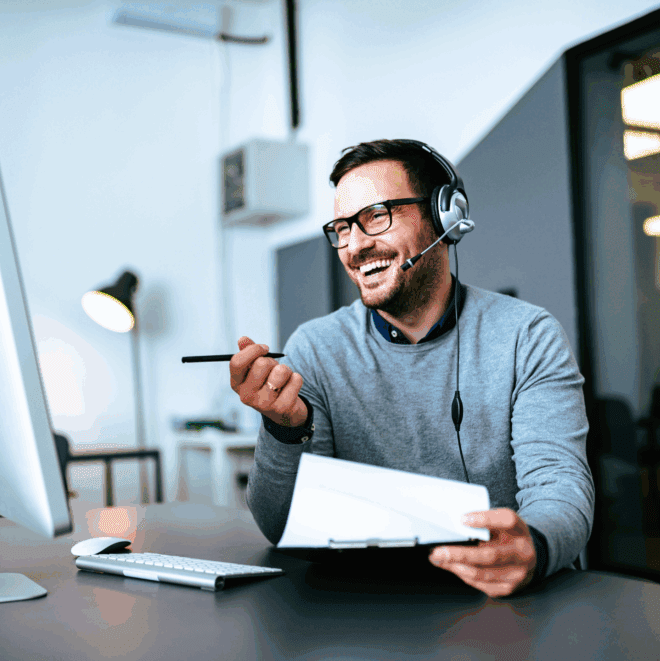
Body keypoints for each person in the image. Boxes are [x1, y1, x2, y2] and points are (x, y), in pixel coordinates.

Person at [230, 139, 593, 597]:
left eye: (376, 216)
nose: (355, 245)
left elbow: (559, 487)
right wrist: (285, 430)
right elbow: (282, 526)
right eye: (342, 227)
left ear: (445, 218)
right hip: (365, 606)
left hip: (499, 599)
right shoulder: (314, 348)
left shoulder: (527, 335)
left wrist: (533, 547)